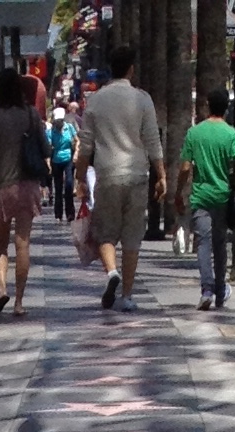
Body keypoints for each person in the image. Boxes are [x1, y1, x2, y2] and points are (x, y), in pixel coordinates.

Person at [76, 45, 161, 313]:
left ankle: (112, 272)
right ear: (131, 69)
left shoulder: (96, 101)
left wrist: (80, 178)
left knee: (105, 233)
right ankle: (126, 295)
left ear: (110, 69)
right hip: (137, 175)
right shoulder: (143, 99)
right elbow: (152, 140)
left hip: (107, 175)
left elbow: (85, 145)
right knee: (132, 238)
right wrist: (161, 174)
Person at [0, 70, 47, 320]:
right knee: (23, 244)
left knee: (0, 244)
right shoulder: (31, 114)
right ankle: (18, 302)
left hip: (2, 187)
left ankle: (2, 290)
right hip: (27, 186)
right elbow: (45, 148)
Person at [180, 88, 235, 312]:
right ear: (226, 108)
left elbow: (185, 167)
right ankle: (220, 290)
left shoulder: (194, 133)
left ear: (208, 106)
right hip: (222, 197)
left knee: (203, 243)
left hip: (201, 197)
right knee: (220, 244)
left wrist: (179, 192)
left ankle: (206, 290)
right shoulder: (232, 134)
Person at [48, 103, 77, 223]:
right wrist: (48, 162)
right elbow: (48, 146)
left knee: (69, 185)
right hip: (56, 160)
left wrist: (76, 152)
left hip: (68, 158)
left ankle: (70, 213)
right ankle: (58, 214)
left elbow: (77, 140)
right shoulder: (51, 131)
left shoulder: (69, 128)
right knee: (58, 187)